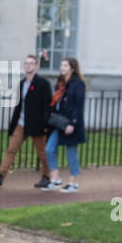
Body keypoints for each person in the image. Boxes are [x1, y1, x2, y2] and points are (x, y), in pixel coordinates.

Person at [0, 53, 50, 187]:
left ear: (36, 67)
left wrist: (46, 124)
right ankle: (0, 175)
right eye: (26, 63)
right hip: (21, 123)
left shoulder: (43, 83)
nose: (27, 65)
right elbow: (19, 105)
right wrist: (13, 124)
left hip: (37, 125)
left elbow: (47, 105)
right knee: (11, 149)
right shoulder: (21, 83)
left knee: (42, 152)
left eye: (31, 63)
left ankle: (47, 176)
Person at [42, 56, 86, 192]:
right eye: (61, 65)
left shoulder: (78, 84)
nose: (62, 68)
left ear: (72, 68)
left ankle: (73, 183)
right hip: (59, 123)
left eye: (65, 65)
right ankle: (55, 180)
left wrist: (72, 123)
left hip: (71, 124)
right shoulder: (60, 84)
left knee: (71, 151)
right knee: (49, 149)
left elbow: (79, 106)